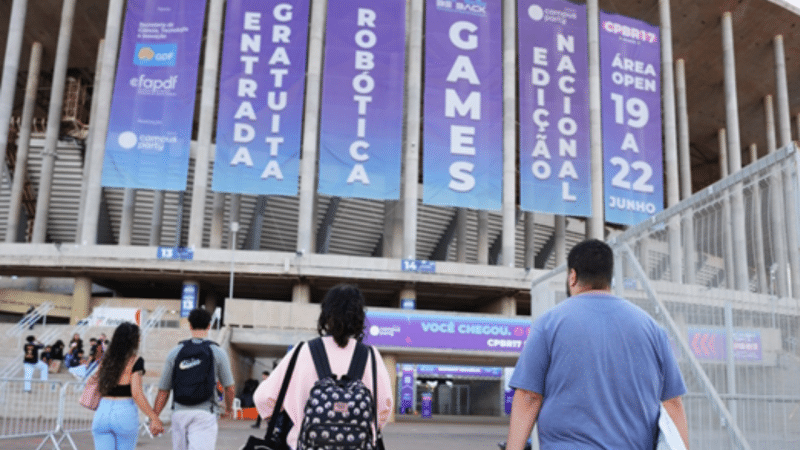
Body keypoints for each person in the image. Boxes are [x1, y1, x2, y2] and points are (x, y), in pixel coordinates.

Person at [505, 239, 690, 450]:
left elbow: (529, 396)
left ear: (572, 276)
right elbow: (672, 403)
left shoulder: (549, 323)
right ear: (608, 278)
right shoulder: (651, 328)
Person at [253, 284, 393, 450]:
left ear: (325, 314)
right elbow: (384, 405)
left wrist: (290, 420)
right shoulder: (371, 356)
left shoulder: (301, 351)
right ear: (359, 317)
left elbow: (263, 398)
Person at [153, 308, 236, 450]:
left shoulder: (175, 352)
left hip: (179, 413)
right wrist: (228, 408)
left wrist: (155, 417)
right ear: (209, 326)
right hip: (204, 414)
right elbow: (229, 388)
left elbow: (163, 390)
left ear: (190, 326)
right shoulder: (217, 352)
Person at [91, 322, 163, 449]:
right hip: (124, 412)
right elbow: (136, 393)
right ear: (132, 340)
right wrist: (154, 417)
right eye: (138, 336)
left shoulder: (106, 359)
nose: (140, 339)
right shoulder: (135, 361)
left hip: (102, 411)